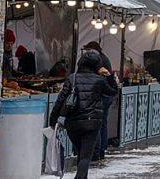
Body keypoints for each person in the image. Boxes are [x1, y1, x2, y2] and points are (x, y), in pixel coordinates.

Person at [49, 49, 118, 179]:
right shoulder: (99, 80)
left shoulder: (72, 78)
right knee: (85, 156)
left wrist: (53, 120)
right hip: (92, 123)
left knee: (81, 153)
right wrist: (109, 76)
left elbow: (60, 100)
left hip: (73, 123)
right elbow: (113, 91)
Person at [82, 41, 116, 162]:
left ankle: (96, 151)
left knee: (96, 124)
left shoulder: (98, 60)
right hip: (107, 94)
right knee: (102, 123)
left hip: (101, 95)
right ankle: (101, 149)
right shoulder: (104, 58)